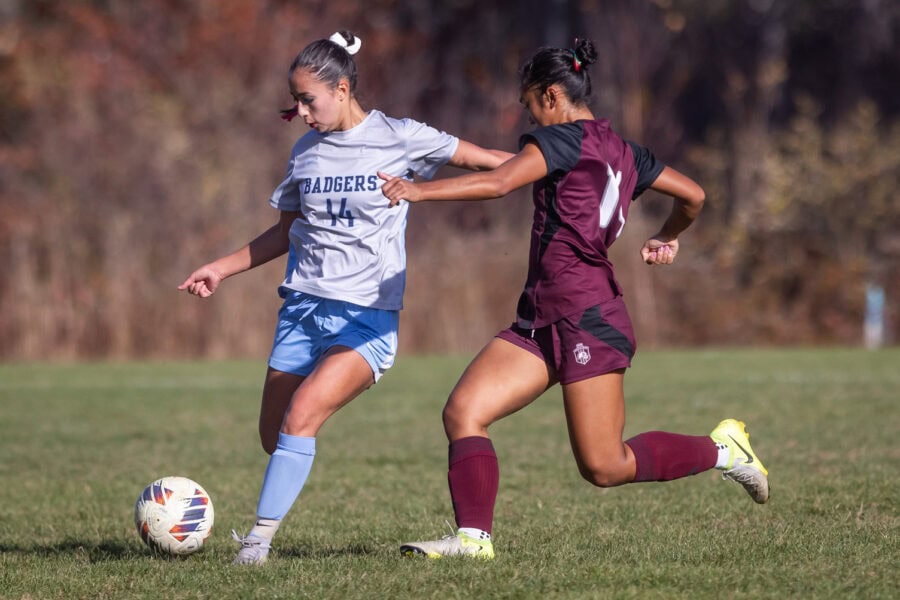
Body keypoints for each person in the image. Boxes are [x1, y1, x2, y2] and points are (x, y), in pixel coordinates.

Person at [380, 38, 769, 560]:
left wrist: (419, 191)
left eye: (528, 105)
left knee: (605, 467)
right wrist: (669, 235)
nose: (529, 117)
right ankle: (473, 541)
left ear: (551, 95)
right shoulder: (626, 151)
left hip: (588, 317)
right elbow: (694, 195)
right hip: (541, 319)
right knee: (465, 411)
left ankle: (724, 449)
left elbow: (500, 184)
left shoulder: (560, 140)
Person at [179, 30, 513, 565]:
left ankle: (255, 545)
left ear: (341, 87)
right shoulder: (305, 153)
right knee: (275, 435)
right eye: (297, 103)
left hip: (366, 318)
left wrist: (559, 165)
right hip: (301, 311)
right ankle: (275, 496)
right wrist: (221, 268)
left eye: (308, 100)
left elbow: (490, 162)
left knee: (300, 418)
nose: (302, 113)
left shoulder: (401, 137)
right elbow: (283, 232)